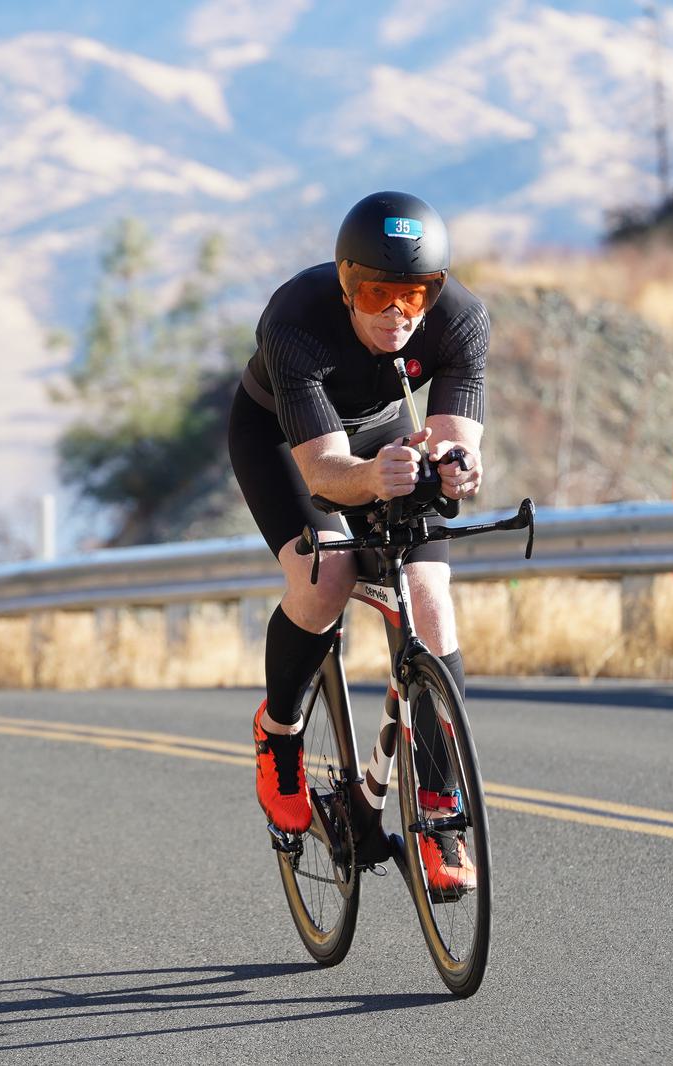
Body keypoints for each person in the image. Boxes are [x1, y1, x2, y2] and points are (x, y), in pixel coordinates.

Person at [226, 190, 488, 891]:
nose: (397, 313)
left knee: (431, 603)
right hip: (284, 439)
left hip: (378, 437)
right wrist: (373, 476)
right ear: (346, 285)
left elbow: (458, 438)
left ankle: (439, 809)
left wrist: (457, 466)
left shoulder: (460, 320)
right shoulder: (296, 320)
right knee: (325, 579)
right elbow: (324, 474)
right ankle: (279, 733)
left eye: (414, 294)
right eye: (376, 293)